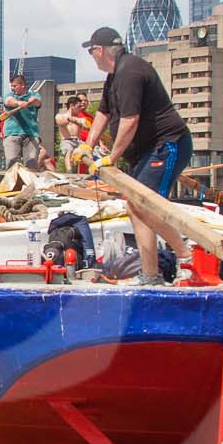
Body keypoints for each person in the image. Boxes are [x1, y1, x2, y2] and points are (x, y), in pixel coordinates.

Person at [79, 25, 191, 286]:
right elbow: (103, 114)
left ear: (102, 50)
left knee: (145, 204)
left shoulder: (129, 71)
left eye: (91, 51)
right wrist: (88, 145)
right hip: (146, 150)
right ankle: (151, 275)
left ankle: (187, 256)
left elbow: (130, 120)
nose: (91, 56)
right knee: (134, 206)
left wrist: (112, 156)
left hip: (167, 144)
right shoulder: (114, 76)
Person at [0, 72, 43, 169]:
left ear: (22, 85)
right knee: (12, 162)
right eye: (11, 86)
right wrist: (19, 103)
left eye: (15, 86)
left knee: (31, 163)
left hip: (31, 134)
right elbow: (8, 101)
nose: (12, 88)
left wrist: (31, 101)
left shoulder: (34, 95)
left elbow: (38, 102)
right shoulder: (9, 96)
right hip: (12, 134)